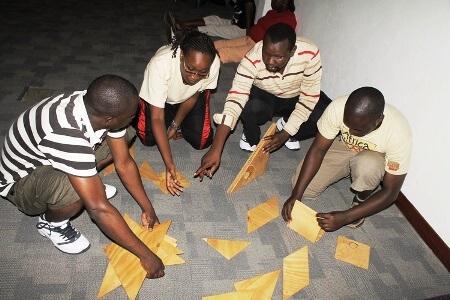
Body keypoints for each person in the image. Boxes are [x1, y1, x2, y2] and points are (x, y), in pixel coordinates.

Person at [0, 75, 165, 278]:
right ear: (109, 119)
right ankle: (51, 224)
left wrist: (147, 207)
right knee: (75, 193)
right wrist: (146, 256)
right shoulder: (66, 132)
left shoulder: (92, 107)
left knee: (124, 135)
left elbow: (123, 163)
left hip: (51, 157)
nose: (136, 116)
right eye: (132, 114)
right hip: (20, 182)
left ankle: (86, 179)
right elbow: (98, 209)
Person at [195, 23, 330, 179]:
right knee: (250, 107)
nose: (270, 62)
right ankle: (252, 135)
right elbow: (235, 99)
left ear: (292, 51)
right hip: (265, 95)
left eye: (278, 57)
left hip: (295, 96)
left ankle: (287, 124)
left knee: (325, 114)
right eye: (267, 54)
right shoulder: (252, 58)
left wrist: (286, 133)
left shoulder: (310, 53)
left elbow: (308, 97)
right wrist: (215, 149)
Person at [281, 87, 412, 231]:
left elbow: (391, 192)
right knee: (303, 188)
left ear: (378, 120)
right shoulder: (337, 107)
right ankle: (349, 169)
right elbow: (318, 150)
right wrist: (296, 195)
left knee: (367, 165)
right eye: (347, 125)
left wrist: (346, 217)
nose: (350, 131)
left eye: (357, 129)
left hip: (373, 157)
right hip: (345, 146)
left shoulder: (398, 133)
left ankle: (361, 198)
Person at [134, 30, 220, 196]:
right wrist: (169, 164)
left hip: (187, 99)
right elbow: (157, 117)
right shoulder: (160, 64)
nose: (195, 77)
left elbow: (194, 93)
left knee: (201, 141)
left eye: (202, 73)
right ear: (181, 56)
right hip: (161, 101)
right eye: (190, 69)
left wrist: (175, 125)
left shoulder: (213, 63)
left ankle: (174, 119)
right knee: (148, 138)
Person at [215, 0, 297, 63]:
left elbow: (280, 41)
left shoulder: (288, 18)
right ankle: (205, 49)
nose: (272, 1)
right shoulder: (272, 12)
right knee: (223, 43)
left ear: (285, 2)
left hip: (257, 47)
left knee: (227, 52)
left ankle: (207, 58)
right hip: (249, 38)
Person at [169, 0, 255, 40]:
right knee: (213, 18)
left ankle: (182, 31)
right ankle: (182, 23)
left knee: (212, 28)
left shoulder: (248, 3)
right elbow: (224, 3)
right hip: (233, 23)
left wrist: (248, 36)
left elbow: (249, 23)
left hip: (241, 31)